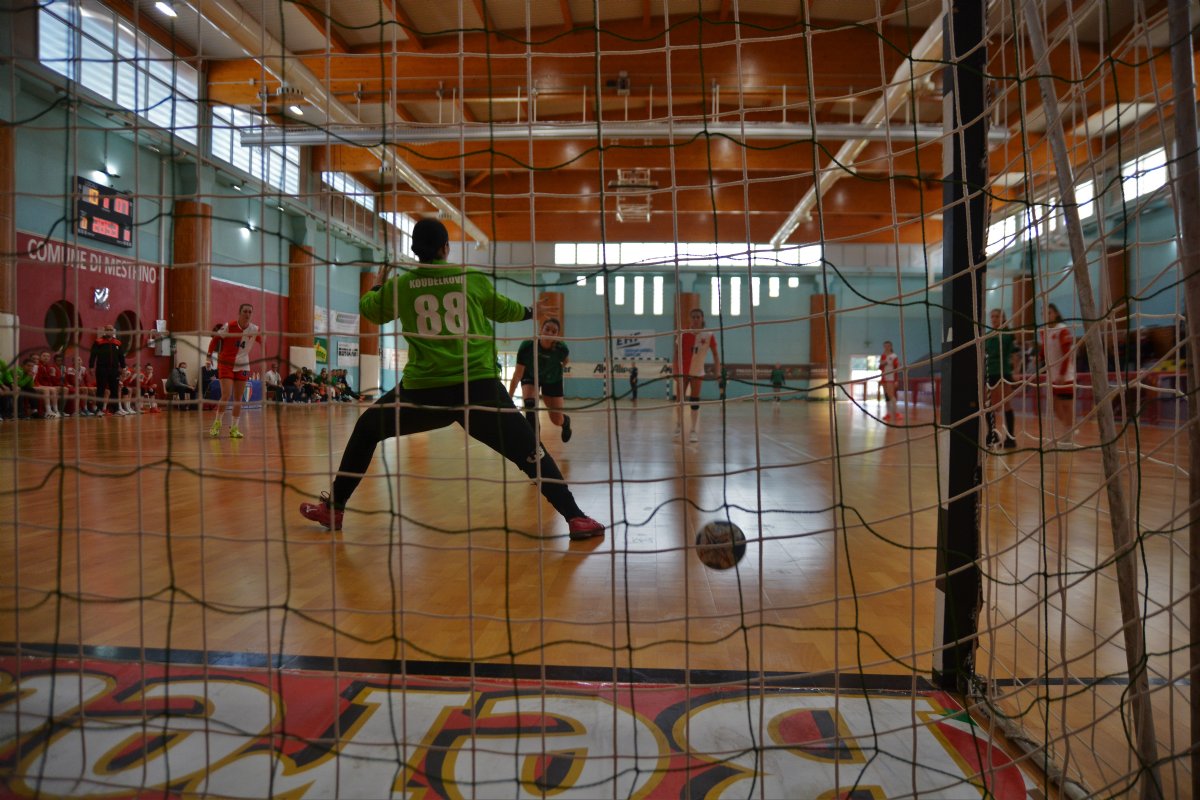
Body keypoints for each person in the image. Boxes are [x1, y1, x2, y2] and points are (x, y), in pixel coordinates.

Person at [299, 217, 603, 539]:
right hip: (479, 390)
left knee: (366, 429)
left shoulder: (402, 285)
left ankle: (334, 508)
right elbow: (503, 310)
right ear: (446, 248)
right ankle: (575, 517)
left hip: (424, 394)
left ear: (415, 250)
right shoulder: (470, 278)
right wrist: (530, 312)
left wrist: (377, 283)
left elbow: (371, 310)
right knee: (531, 452)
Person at [507, 316, 572, 443]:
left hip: (552, 379)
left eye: (554, 331)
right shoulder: (527, 346)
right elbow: (517, 375)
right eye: (547, 329)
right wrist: (509, 398)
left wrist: (554, 368)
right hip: (530, 375)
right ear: (541, 330)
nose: (549, 333)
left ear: (557, 335)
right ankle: (535, 444)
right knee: (530, 406)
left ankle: (565, 422)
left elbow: (565, 361)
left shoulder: (561, 348)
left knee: (556, 419)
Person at [206, 303, 262, 439]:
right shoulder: (229, 326)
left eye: (250, 312)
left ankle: (234, 428)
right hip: (226, 364)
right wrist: (208, 356)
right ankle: (217, 424)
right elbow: (215, 339)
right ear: (239, 312)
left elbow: (263, 342)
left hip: (243, 365)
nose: (247, 314)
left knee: (238, 399)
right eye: (245, 311)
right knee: (226, 395)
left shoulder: (255, 329)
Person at [674, 307, 720, 443]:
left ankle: (693, 430)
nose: (695, 319)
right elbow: (676, 353)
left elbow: (716, 355)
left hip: (697, 372)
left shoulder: (709, 335)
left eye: (698, 317)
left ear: (702, 318)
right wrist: (675, 370)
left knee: (695, 401)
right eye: (693, 317)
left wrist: (718, 372)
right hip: (682, 372)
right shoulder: (682, 333)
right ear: (690, 319)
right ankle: (678, 424)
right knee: (679, 400)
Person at [1040, 303, 1076, 445]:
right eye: (1043, 313)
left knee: (1067, 406)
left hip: (1065, 376)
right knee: (1055, 407)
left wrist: (1062, 374)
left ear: (1055, 314)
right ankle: (1070, 427)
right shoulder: (1044, 331)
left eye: (1049, 312)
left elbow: (1067, 354)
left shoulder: (1062, 330)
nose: (1046, 315)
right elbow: (1044, 351)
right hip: (1052, 376)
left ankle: (1068, 435)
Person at [984, 309, 1018, 450]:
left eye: (997, 316)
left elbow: (1015, 354)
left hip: (1003, 372)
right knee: (989, 405)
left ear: (1003, 318)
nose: (994, 319)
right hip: (989, 373)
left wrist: (1016, 371)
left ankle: (1010, 438)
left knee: (1005, 404)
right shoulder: (987, 335)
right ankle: (992, 434)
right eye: (992, 316)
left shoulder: (1008, 335)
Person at [89, 324, 125, 416]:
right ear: (105, 331)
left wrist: (123, 367)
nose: (109, 331)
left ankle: (115, 410)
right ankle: (99, 409)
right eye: (107, 329)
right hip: (102, 369)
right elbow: (93, 355)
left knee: (114, 390)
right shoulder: (98, 341)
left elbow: (121, 356)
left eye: (111, 330)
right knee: (101, 389)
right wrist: (91, 366)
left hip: (114, 370)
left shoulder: (118, 342)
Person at [33, 351, 62, 418]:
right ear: (40, 357)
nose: (46, 357)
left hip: (44, 385)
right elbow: (36, 379)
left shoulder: (48, 367)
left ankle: (56, 410)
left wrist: (52, 375)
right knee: (47, 389)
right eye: (44, 356)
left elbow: (51, 381)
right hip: (37, 384)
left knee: (54, 389)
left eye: (48, 356)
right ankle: (48, 411)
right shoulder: (37, 366)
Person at [879, 340, 901, 422]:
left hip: (891, 378)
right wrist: (882, 363)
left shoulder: (894, 356)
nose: (886, 347)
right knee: (886, 396)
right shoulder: (883, 356)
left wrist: (896, 380)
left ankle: (897, 413)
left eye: (888, 346)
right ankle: (888, 413)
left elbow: (897, 368)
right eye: (885, 346)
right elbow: (880, 367)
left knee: (891, 395)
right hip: (884, 377)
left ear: (891, 347)